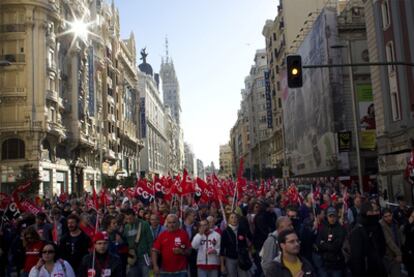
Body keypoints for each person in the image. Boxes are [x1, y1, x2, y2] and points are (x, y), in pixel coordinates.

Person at [348, 200, 387, 276]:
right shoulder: (358, 230)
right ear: (368, 213)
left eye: (378, 210)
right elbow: (357, 259)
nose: (378, 213)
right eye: (375, 211)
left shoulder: (377, 226)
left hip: (379, 267)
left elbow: (382, 245)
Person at [315, 207, 346, 277]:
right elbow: (318, 243)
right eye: (330, 216)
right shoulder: (323, 227)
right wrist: (327, 245)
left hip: (336, 264)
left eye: (334, 216)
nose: (332, 218)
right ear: (327, 217)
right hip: (324, 263)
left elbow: (336, 247)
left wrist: (324, 244)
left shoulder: (340, 229)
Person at [220, 212, 252, 277]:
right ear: (228, 220)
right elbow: (222, 249)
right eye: (232, 218)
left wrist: (249, 255)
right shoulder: (225, 232)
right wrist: (222, 265)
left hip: (241, 258)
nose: (234, 219)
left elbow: (246, 245)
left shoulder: (241, 230)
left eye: (235, 217)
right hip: (230, 258)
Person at [379, 208, 403, 276]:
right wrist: (399, 253)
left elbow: (398, 238)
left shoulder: (395, 223)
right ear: (383, 217)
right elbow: (388, 240)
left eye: (389, 215)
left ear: (392, 215)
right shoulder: (381, 224)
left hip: (395, 254)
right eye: (386, 217)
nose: (388, 218)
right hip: (388, 256)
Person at [182, 208, 199, 277]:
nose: (195, 217)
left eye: (196, 215)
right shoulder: (180, 225)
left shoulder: (198, 225)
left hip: (194, 253)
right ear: (188, 216)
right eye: (193, 215)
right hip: (183, 253)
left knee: (193, 273)